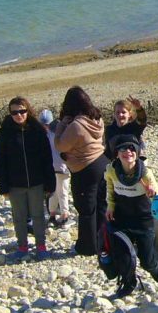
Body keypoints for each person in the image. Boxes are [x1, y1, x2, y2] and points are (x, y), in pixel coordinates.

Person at [103, 134, 158, 298]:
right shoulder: (111, 170)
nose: (128, 152)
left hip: (143, 221)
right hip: (121, 218)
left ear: (138, 152)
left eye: (132, 148)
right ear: (117, 153)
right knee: (123, 255)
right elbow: (110, 189)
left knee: (147, 260)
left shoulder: (145, 173)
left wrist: (152, 193)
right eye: (123, 148)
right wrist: (110, 206)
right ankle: (128, 283)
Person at [0, 97, 56, 260]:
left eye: (22, 111)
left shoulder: (37, 131)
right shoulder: (4, 132)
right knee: (19, 217)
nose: (19, 115)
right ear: (10, 114)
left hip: (37, 182)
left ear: (28, 111)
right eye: (14, 112)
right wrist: (3, 187)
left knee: (38, 215)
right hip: (15, 184)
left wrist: (50, 183)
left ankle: (41, 245)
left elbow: (47, 159)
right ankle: (22, 246)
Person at [55, 86, 107, 256]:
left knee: (86, 209)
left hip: (84, 168)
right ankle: (103, 241)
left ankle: (87, 246)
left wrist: (62, 125)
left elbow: (60, 145)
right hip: (101, 161)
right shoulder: (97, 119)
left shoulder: (76, 125)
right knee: (101, 205)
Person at [40, 109, 71, 229]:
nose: (45, 126)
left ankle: (64, 214)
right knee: (55, 192)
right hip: (54, 167)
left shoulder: (52, 135)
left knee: (61, 191)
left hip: (61, 167)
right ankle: (54, 214)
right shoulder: (54, 134)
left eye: (46, 124)